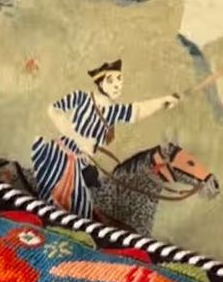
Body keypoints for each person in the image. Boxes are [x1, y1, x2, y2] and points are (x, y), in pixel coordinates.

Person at [29, 61, 181, 217]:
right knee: (72, 200)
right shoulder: (81, 97)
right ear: (101, 83)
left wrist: (163, 101)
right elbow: (53, 109)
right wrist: (76, 136)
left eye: (119, 79)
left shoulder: (113, 110)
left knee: (95, 188)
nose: (117, 85)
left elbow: (137, 110)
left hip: (84, 161)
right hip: (63, 155)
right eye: (111, 80)